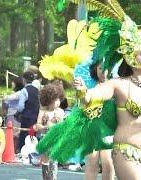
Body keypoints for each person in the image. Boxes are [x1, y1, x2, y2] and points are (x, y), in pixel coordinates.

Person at [38, 1, 141, 179]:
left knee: (107, 166)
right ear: (130, 54)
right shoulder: (119, 84)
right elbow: (96, 94)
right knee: (93, 162)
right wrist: (84, 92)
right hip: (127, 152)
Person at [84, 63, 115, 180]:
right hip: (92, 128)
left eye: (107, 68)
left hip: (109, 130)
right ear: (95, 69)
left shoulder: (116, 85)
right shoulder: (89, 85)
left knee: (108, 163)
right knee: (92, 162)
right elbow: (83, 105)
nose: (104, 72)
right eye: (101, 68)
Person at [34, 84, 65, 180]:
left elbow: (62, 124)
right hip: (45, 137)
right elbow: (38, 124)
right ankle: (46, 177)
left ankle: (53, 178)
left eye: (58, 99)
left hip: (55, 138)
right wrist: (42, 127)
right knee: (45, 159)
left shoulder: (60, 111)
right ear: (48, 100)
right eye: (55, 100)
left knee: (54, 159)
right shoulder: (42, 112)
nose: (57, 102)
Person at [16, 71, 40, 151]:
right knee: (33, 134)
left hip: (26, 116)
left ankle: (22, 150)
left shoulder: (24, 90)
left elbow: (20, 106)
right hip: (36, 116)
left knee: (24, 134)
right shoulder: (37, 90)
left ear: (24, 80)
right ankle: (33, 150)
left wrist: (17, 113)